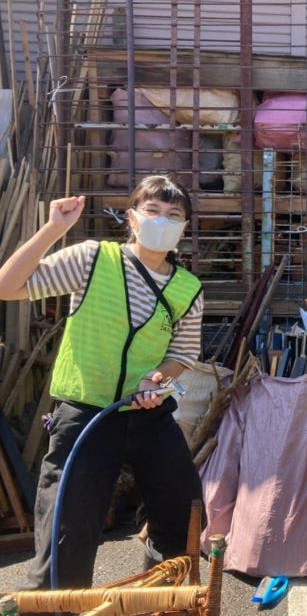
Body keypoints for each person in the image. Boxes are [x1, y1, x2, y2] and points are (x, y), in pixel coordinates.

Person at [0, 175, 204, 591]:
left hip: (149, 416)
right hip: (85, 415)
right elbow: (8, 286)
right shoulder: (93, 259)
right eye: (152, 211)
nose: (162, 221)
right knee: (66, 531)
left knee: (183, 514)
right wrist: (53, 229)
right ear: (131, 218)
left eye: (173, 215)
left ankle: (162, 596)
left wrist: (159, 378)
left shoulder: (188, 288)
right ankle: (57, 606)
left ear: (183, 229)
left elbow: (183, 354)